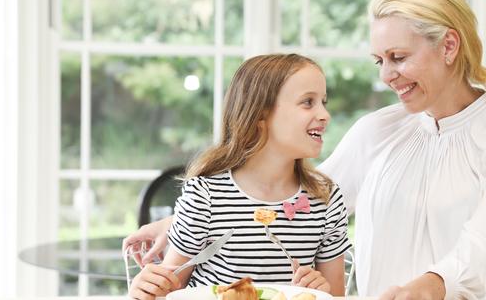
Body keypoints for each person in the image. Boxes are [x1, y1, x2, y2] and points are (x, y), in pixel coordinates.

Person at [124, 0, 486, 300]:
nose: (386, 76)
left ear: (449, 46)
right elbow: (303, 201)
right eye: (380, 60)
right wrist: (182, 222)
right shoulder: (378, 130)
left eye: (399, 57)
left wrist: (430, 284)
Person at [126, 54, 351, 300]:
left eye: (323, 102)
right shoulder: (205, 194)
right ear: (260, 115)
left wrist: (321, 292)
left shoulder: (326, 198)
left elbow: (336, 296)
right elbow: (168, 291)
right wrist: (147, 288)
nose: (324, 115)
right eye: (308, 102)